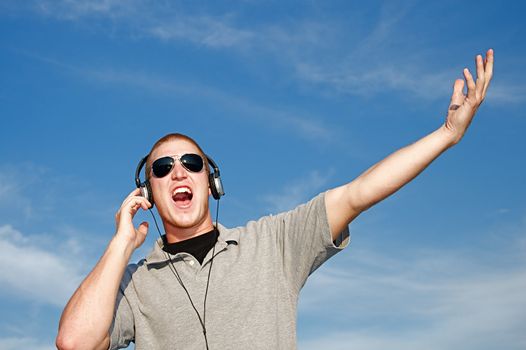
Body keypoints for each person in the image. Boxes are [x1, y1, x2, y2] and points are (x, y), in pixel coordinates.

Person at [56, 49, 494, 350]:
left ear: (211, 182)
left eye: (191, 162)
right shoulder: (135, 283)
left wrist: (446, 135)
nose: (178, 173)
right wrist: (119, 245)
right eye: (162, 168)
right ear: (147, 191)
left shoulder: (274, 243)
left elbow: (360, 192)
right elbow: (74, 342)